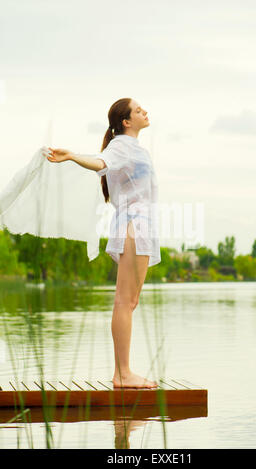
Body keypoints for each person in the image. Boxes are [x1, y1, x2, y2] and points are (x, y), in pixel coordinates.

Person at [42, 98, 160, 389]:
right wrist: (72, 156)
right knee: (124, 301)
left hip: (138, 226)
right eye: (137, 110)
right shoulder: (120, 145)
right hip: (134, 225)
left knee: (129, 301)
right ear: (126, 122)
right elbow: (100, 163)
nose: (145, 111)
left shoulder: (133, 148)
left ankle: (123, 372)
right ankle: (122, 374)